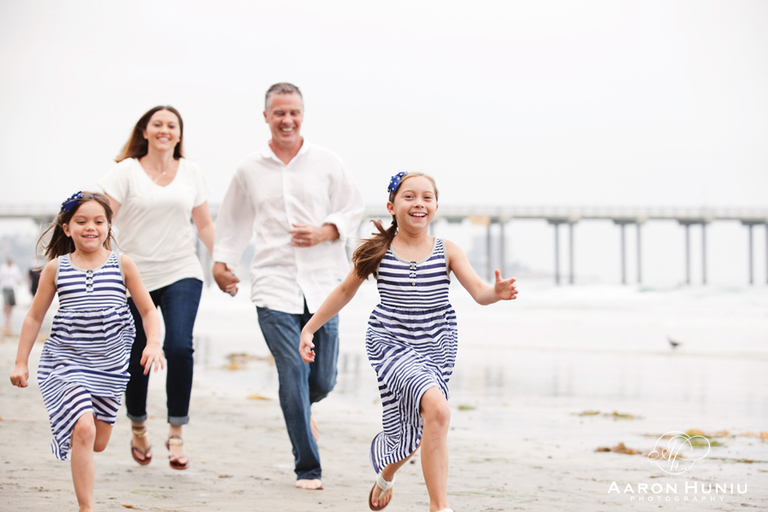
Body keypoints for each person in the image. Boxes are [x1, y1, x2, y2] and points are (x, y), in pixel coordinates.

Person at [299, 172, 518, 511]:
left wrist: (496, 294)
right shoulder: (378, 250)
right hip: (391, 345)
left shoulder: (448, 251)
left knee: (420, 426)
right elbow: (344, 291)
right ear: (392, 206)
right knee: (440, 412)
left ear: (436, 206)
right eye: (409, 196)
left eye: (427, 197)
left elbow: (478, 291)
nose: (419, 203)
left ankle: (386, 475)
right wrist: (310, 329)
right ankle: (439, 506)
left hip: (436, 347)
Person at [213, 82, 364, 490]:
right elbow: (232, 222)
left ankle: (301, 408)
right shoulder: (249, 169)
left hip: (323, 286)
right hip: (273, 285)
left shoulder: (327, 162)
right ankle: (307, 466)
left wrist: (327, 231)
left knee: (322, 380)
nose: (287, 120)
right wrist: (221, 264)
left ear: (303, 115)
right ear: (266, 116)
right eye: (279, 112)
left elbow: (354, 206)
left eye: (293, 112)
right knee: (292, 370)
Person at [10, 191, 164, 512]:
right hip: (66, 362)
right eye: (81, 221)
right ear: (67, 228)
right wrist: (21, 362)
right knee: (82, 427)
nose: (90, 227)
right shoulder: (57, 268)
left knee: (97, 441)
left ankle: (84, 441)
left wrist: (152, 343)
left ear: (109, 226)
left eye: (98, 221)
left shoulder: (123, 265)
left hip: (110, 367)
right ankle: (87, 507)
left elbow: (148, 311)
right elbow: (34, 316)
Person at [98, 105, 214, 470]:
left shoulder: (191, 172)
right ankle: (137, 425)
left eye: (172, 125)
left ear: (179, 134)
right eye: (157, 124)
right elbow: (103, 218)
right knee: (137, 354)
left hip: (182, 269)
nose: (165, 130)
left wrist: (222, 262)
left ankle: (176, 431)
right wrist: (93, 265)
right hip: (134, 275)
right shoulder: (125, 172)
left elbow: (205, 226)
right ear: (144, 131)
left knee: (179, 346)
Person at [1, 257, 22, 335]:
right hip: (5, 287)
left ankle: (10, 316)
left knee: (12, 304)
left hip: (12, 288)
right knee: (6, 303)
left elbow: (18, 278)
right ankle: (6, 318)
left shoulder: (15, 268)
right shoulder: (3, 268)